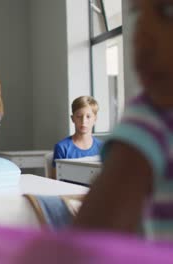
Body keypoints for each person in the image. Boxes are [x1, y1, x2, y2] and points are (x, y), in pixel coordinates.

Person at [74, 0, 173, 240]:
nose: (141, 39)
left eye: (168, 12)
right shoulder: (151, 120)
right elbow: (87, 242)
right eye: (138, 13)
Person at [51, 96, 103, 178]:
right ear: (72, 118)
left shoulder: (103, 148)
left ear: (95, 119)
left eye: (88, 117)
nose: (83, 121)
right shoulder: (62, 148)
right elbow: (55, 180)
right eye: (79, 116)